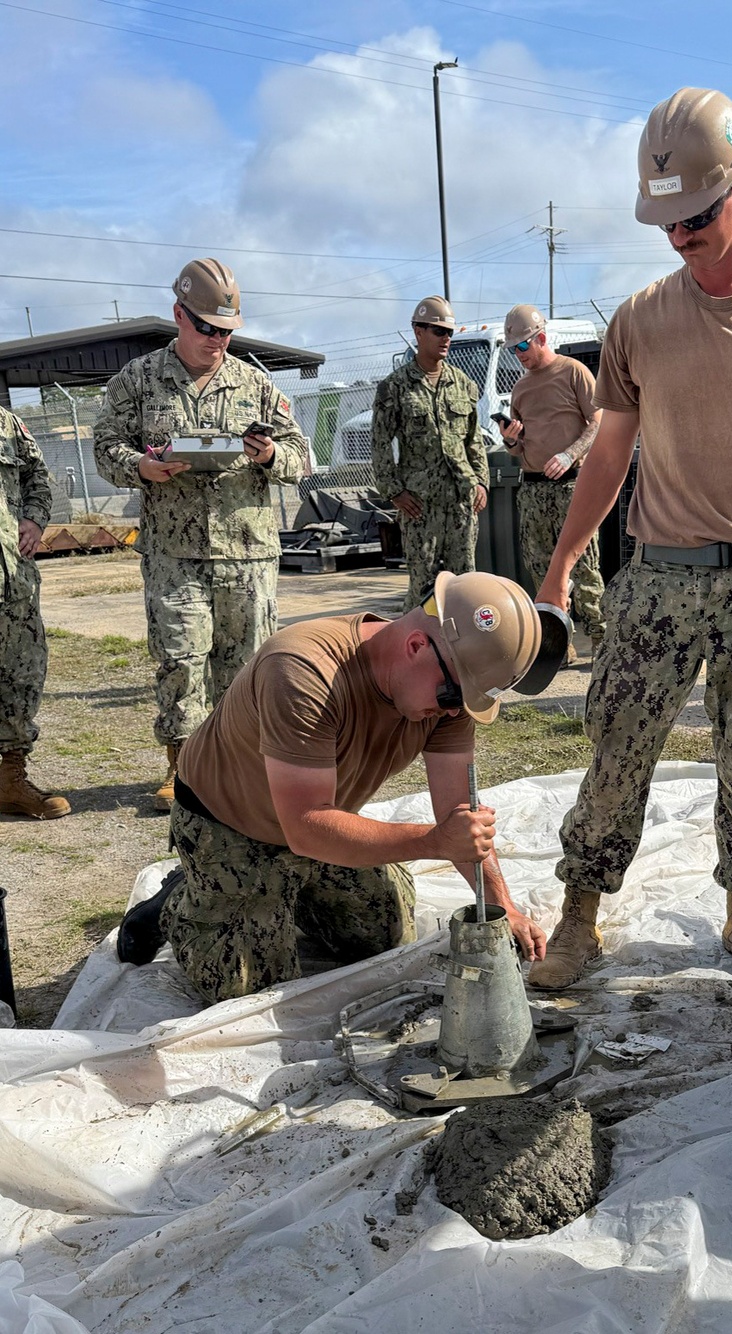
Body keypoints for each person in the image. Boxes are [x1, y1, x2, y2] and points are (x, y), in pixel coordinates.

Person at [526, 87, 732, 992]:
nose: (681, 238)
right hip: (657, 581)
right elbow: (607, 457)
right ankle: (581, 917)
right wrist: (561, 564)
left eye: (697, 218)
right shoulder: (638, 321)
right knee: (616, 751)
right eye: (667, 224)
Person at [115, 571, 547, 1005]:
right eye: (455, 696)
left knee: (382, 934)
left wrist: (501, 904)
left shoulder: (449, 692)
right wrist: (435, 842)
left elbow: (457, 812)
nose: (456, 713)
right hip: (229, 823)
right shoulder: (303, 669)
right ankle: (180, 901)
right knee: (248, 986)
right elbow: (305, 826)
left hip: (321, 819)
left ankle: (289, 891)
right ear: (417, 646)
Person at [93, 258, 308, 810]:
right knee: (181, 660)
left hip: (247, 552)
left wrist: (270, 454)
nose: (218, 340)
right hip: (174, 553)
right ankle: (184, 768)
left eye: (227, 331)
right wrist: (140, 467)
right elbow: (105, 448)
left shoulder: (255, 383)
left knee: (247, 666)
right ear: (179, 316)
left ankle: (240, 766)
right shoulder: (137, 381)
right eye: (207, 328)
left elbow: (301, 456)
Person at [499, 304, 606, 664]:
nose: (519, 356)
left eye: (522, 348)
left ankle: (603, 640)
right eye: (513, 350)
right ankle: (560, 645)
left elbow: (597, 423)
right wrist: (512, 440)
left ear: (541, 338)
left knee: (583, 565)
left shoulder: (573, 372)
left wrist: (569, 454)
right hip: (533, 489)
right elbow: (518, 446)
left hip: (571, 488)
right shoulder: (520, 388)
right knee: (541, 567)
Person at [371, 297, 489, 611]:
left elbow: (474, 440)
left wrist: (481, 482)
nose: (446, 338)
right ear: (418, 331)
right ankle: (421, 651)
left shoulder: (462, 384)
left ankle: (463, 654)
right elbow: (380, 444)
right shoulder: (394, 388)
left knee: (464, 583)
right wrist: (394, 491)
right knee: (423, 587)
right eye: (438, 331)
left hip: (461, 501)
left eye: (449, 331)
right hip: (419, 506)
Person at [0, 408, 71, 819]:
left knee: (20, 675)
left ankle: (10, 778)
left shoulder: (5, 422)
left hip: (14, 579)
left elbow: (36, 474)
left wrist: (33, 518)